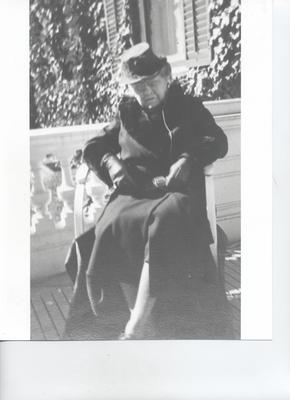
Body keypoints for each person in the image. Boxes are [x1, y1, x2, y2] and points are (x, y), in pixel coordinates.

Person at [65, 42, 228, 340]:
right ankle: (139, 317)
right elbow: (94, 147)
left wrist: (189, 159)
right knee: (112, 222)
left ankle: (137, 325)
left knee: (166, 220)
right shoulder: (127, 114)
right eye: (137, 87)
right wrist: (111, 164)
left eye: (152, 83)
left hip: (175, 193)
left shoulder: (189, 108)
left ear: (167, 76)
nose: (146, 92)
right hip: (135, 193)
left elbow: (216, 140)